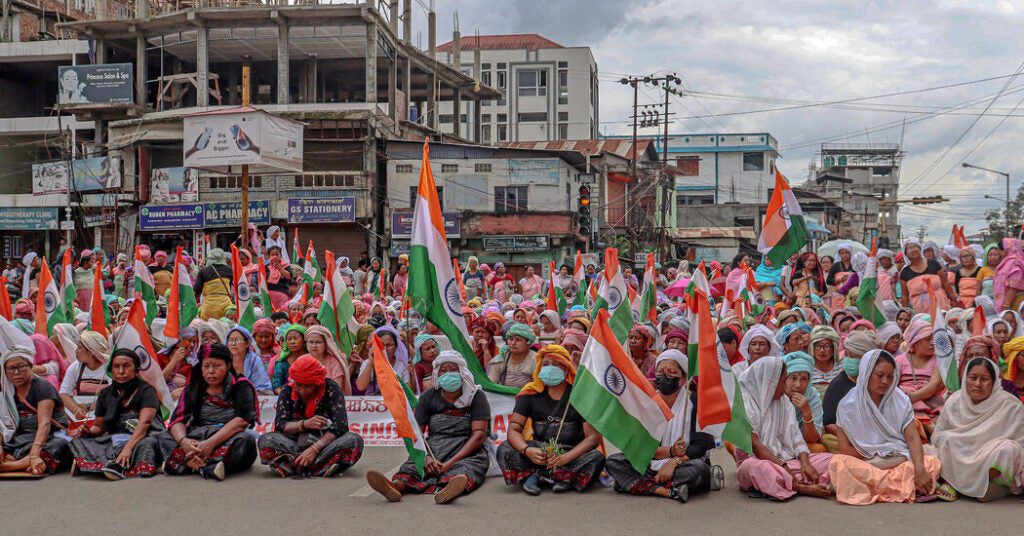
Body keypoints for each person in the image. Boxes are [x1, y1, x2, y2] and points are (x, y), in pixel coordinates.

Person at [366, 351, 491, 504]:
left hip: (466, 449)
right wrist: (426, 457)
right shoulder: (429, 396)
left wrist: (448, 464)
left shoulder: (476, 396)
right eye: (443, 370)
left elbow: (478, 435)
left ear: (462, 372)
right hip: (434, 447)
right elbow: (416, 431)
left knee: (467, 469)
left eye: (453, 369)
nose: (448, 373)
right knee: (414, 466)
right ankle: (395, 487)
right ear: (437, 373)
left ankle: (448, 489)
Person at [828, 350, 942, 505]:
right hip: (867, 461)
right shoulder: (847, 405)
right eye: (879, 375)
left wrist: (920, 469)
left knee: (932, 463)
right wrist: (874, 451)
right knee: (839, 463)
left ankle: (875, 488)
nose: (885, 381)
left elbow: (912, 438)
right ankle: (905, 486)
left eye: (890, 376)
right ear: (866, 373)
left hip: (898, 459)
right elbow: (844, 449)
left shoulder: (901, 400)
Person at [606, 350, 720, 502]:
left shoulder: (695, 402)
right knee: (615, 461)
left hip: (684, 463)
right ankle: (665, 490)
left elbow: (700, 446)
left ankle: (633, 484)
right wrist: (671, 451)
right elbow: (640, 446)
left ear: (683, 377)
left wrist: (674, 462)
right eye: (660, 372)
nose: (665, 376)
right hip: (653, 460)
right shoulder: (647, 402)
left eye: (672, 372)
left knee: (698, 469)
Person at [497, 345, 605, 494]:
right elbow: (514, 429)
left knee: (596, 457)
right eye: (545, 364)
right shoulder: (530, 393)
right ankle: (554, 477)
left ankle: (545, 476)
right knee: (505, 448)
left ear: (566, 368)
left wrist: (566, 457)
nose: (550, 368)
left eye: (555, 364)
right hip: (539, 450)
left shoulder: (579, 395)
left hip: (571, 452)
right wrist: (527, 450)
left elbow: (593, 438)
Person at [734, 356, 833, 500]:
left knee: (831, 460)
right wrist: (784, 467)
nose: (786, 384)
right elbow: (756, 448)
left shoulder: (784, 402)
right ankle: (802, 487)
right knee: (757, 468)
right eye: (784, 380)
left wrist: (805, 463)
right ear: (770, 382)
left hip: (786, 461)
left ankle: (792, 481)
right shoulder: (744, 403)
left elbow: (796, 437)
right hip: (760, 462)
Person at [157, 344, 258, 480]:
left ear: (228, 366)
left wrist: (210, 443)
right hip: (198, 436)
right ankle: (205, 466)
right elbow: (178, 420)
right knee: (163, 435)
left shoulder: (241, 385)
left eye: (216, 366)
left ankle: (183, 463)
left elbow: (242, 421)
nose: (211, 371)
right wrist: (184, 442)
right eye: (206, 366)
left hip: (226, 436)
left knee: (245, 441)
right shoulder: (193, 387)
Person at [931, 357, 1024, 501]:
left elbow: (1021, 443)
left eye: (985, 379)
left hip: (990, 457)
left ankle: (981, 485)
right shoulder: (955, 401)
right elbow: (937, 436)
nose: (978, 384)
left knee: (1009, 449)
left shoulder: (1010, 405)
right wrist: (965, 441)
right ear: (965, 379)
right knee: (946, 439)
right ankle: (974, 487)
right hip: (962, 453)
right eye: (973, 378)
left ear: (994, 382)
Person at [258, 355, 363, 478]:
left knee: (354, 440)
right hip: (294, 443)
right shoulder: (287, 390)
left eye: (307, 386)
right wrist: (303, 424)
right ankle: (320, 467)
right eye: (299, 385)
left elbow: (340, 426)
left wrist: (315, 449)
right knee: (266, 440)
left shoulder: (331, 388)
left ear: (317, 383)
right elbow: (280, 425)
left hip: (324, 445)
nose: (302, 390)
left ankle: (294, 466)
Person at [69, 349, 163, 479]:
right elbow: (98, 427)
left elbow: (145, 423)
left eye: (126, 366)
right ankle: (115, 464)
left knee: (148, 444)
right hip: (114, 437)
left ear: (136, 369)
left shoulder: (147, 390)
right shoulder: (106, 393)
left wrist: (128, 448)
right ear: (111, 370)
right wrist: (87, 432)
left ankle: (115, 465)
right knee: (78, 441)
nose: (121, 371)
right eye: (116, 366)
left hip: (141, 436)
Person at [0, 347, 70, 476]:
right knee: (6, 450)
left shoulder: (42, 387)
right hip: (21, 437)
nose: (16, 372)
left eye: (21, 366)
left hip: (50, 434)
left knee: (58, 447)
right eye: (11, 368)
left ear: (30, 366)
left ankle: (12, 466)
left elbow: (45, 423)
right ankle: (25, 463)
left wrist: (34, 454)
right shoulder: (6, 392)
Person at [896, 322, 945, 435]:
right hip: (906, 405)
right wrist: (907, 397)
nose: (932, 343)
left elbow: (935, 385)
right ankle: (931, 429)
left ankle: (930, 428)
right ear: (916, 341)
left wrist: (913, 396)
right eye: (927, 339)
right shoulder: (900, 360)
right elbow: (894, 386)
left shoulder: (937, 360)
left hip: (931, 403)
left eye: (933, 339)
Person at [59, 330, 111, 419]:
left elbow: (114, 394)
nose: (76, 351)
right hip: (83, 414)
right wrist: (75, 409)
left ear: (91, 352)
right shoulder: (75, 367)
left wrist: (90, 406)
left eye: (79, 348)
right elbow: (64, 393)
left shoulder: (109, 368)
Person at [782, 352, 825, 453]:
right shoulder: (776, 395)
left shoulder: (812, 396)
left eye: (804, 379)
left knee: (819, 449)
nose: (798, 385)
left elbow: (812, 439)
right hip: (775, 443)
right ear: (784, 379)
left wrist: (806, 413)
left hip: (801, 444)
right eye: (793, 378)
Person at [899, 240, 956, 312]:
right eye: (909, 248)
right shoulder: (905, 272)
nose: (913, 250)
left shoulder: (933, 264)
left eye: (915, 247)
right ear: (905, 253)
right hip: (920, 309)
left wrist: (954, 297)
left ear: (920, 249)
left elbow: (945, 283)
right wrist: (905, 310)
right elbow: (904, 295)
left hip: (940, 305)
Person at [486, 323, 537, 389]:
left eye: (518, 340)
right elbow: (491, 385)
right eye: (511, 339)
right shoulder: (501, 359)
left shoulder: (536, 360)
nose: (513, 343)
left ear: (528, 343)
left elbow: (540, 387)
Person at [225, 326, 274, 394]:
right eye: (230, 340)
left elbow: (264, 388)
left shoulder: (254, 360)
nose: (233, 343)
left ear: (247, 343)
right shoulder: (223, 359)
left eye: (237, 339)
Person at [305, 325, 352, 395]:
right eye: (311, 342)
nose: (314, 346)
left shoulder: (334, 363)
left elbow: (336, 389)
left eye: (318, 342)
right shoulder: (303, 360)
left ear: (326, 344)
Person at [193, 248, 233, 320]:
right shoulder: (229, 270)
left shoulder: (203, 271)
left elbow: (197, 291)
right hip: (225, 307)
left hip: (208, 308)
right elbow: (229, 288)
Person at [272, 324, 307, 393]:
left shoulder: (312, 359)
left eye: (296, 338)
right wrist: (285, 396)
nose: (292, 342)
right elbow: (276, 385)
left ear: (304, 340)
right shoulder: (281, 363)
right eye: (289, 339)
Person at [808, 325, 841, 396]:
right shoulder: (807, 368)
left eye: (827, 346)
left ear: (834, 348)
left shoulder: (842, 367)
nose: (822, 350)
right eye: (818, 346)